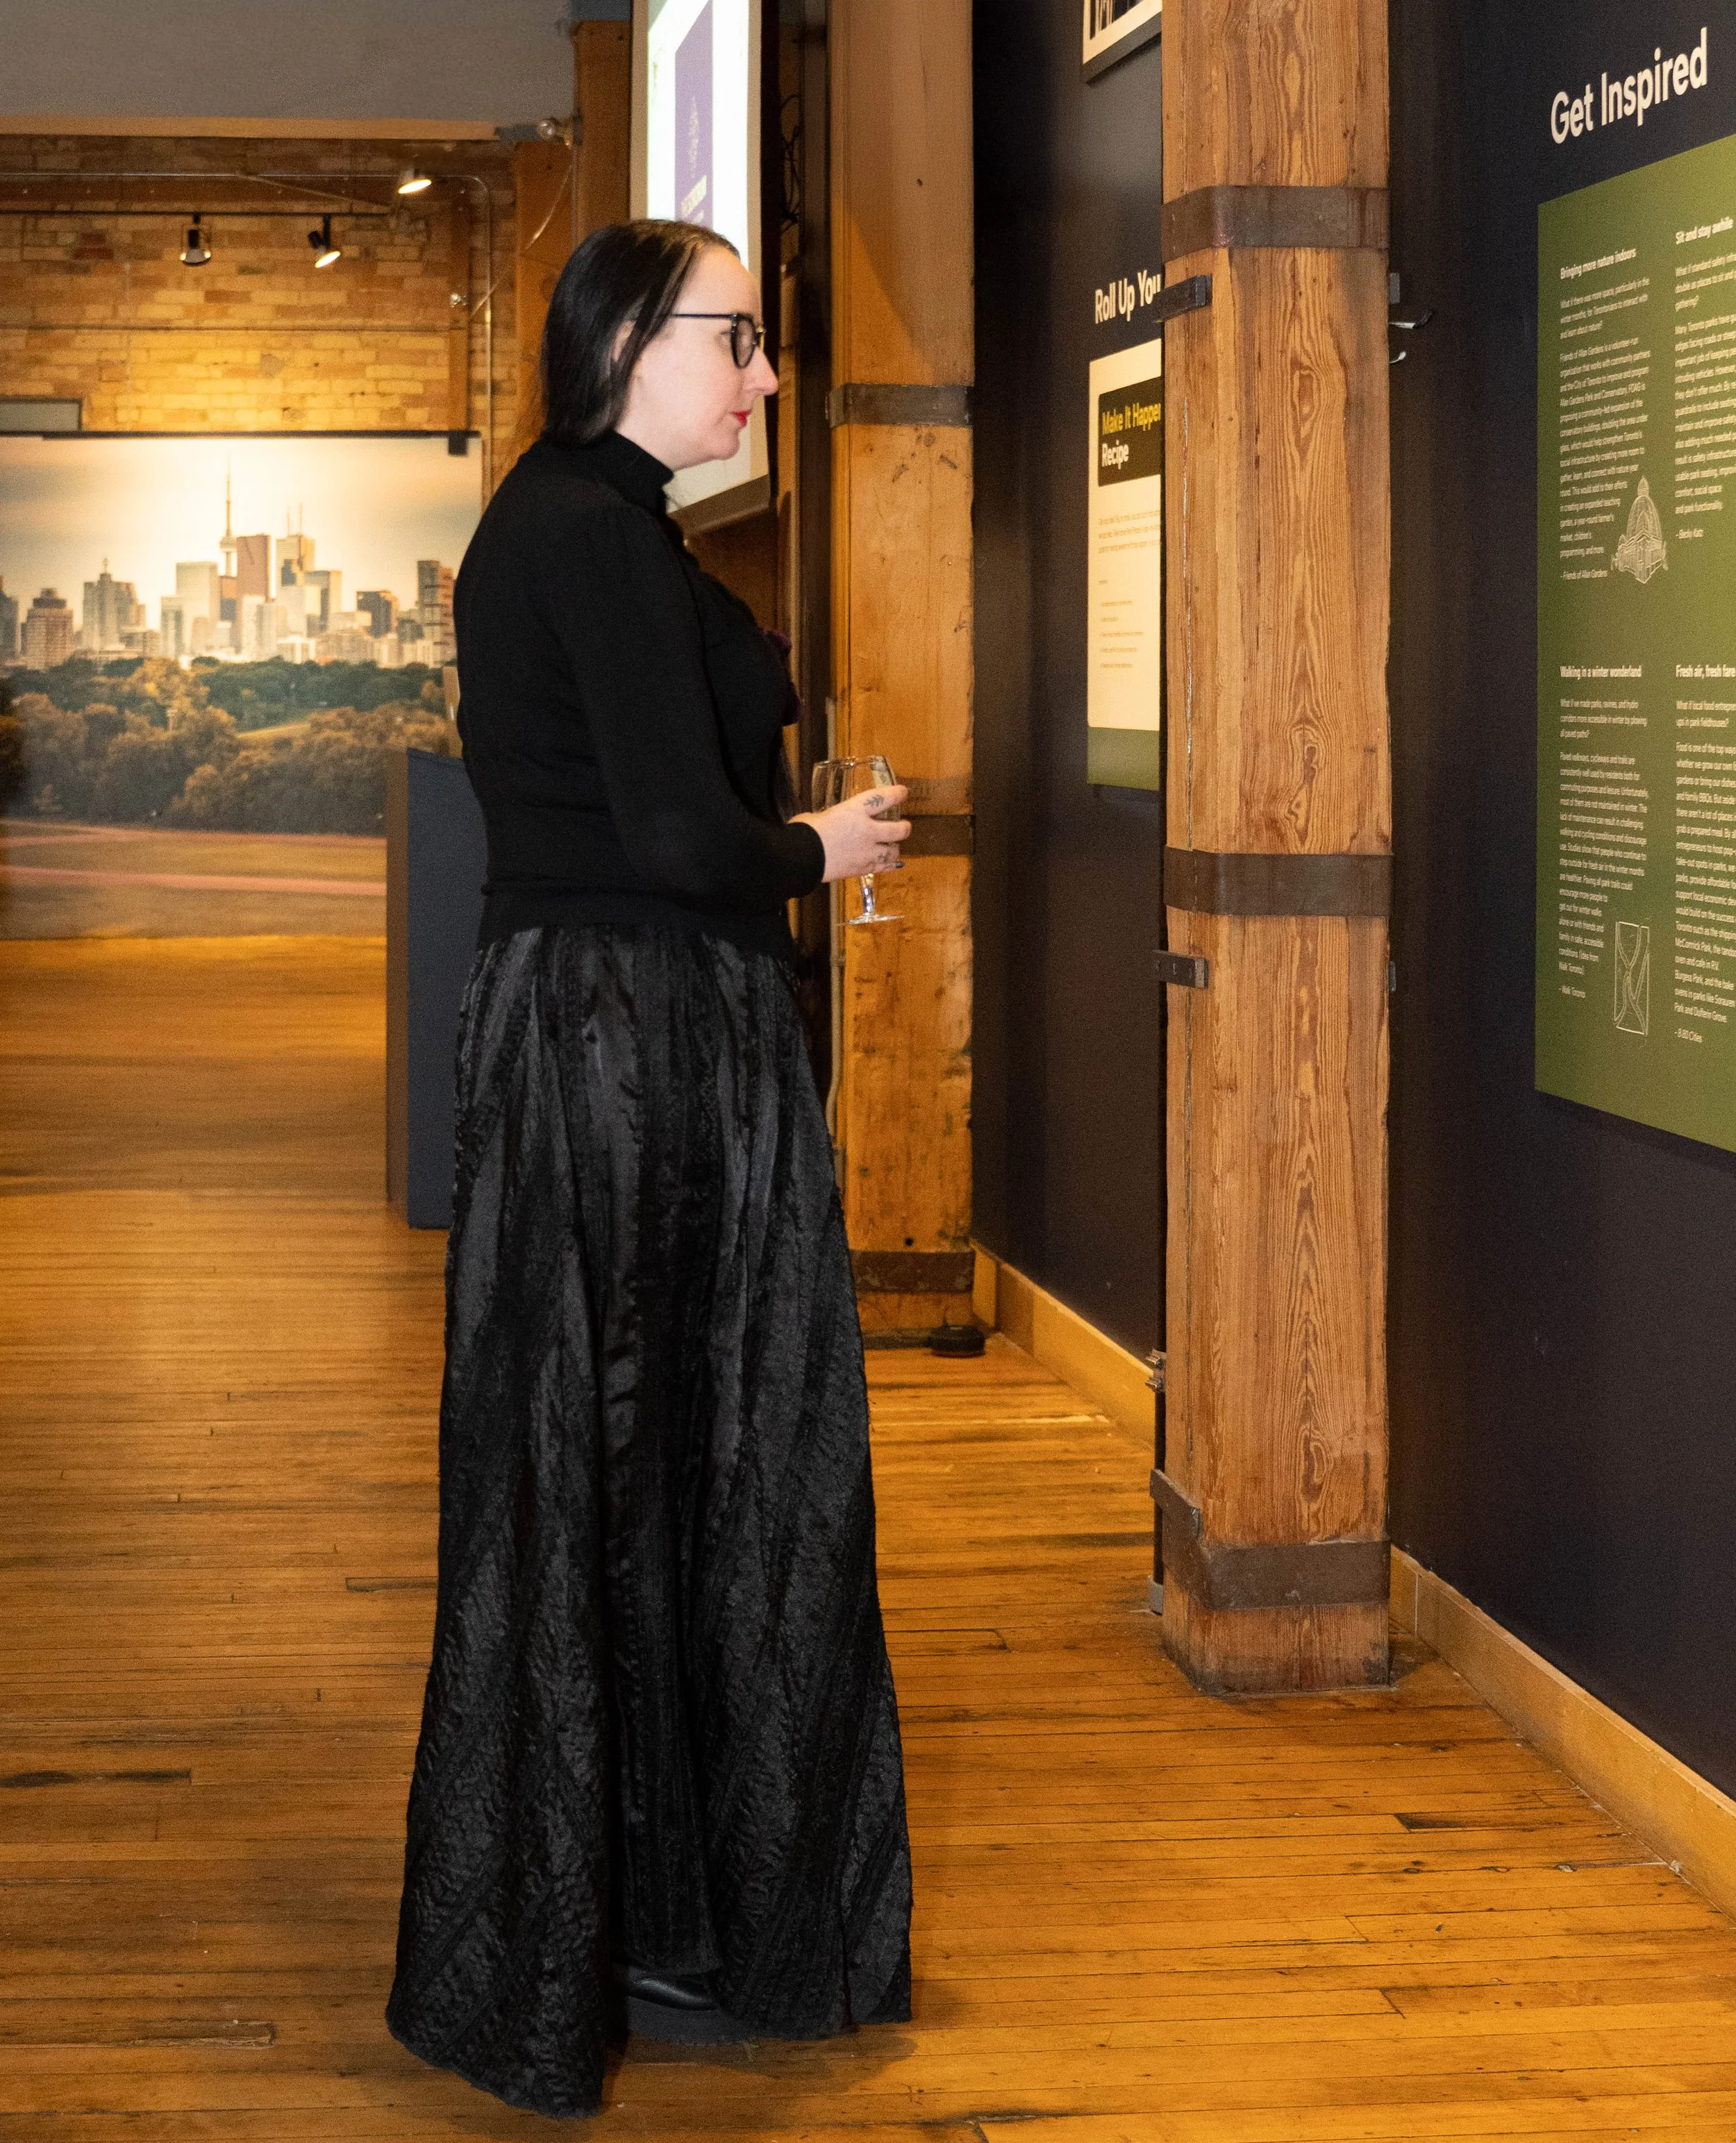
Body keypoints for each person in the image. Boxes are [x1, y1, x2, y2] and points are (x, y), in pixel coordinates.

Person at [385, 220, 914, 2119]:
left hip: (627, 1039)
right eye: (739, 340)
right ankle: (601, 1925)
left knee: (649, 1464)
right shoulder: (586, 534)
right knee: (635, 1459)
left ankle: (643, 1904)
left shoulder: (604, 522)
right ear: (624, 337)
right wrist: (821, 847)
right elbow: (685, 832)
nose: (761, 378)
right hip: (626, 1043)